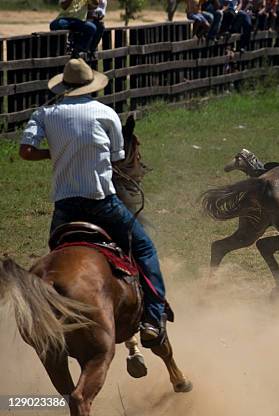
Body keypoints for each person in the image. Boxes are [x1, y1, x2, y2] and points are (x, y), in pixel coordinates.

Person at [19, 58, 169, 347]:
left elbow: (26, 151)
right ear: (91, 85)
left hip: (64, 208)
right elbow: (116, 158)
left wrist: (55, 154)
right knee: (144, 248)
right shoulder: (105, 112)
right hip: (102, 202)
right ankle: (153, 316)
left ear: (64, 86)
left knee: (56, 260)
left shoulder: (45, 113)